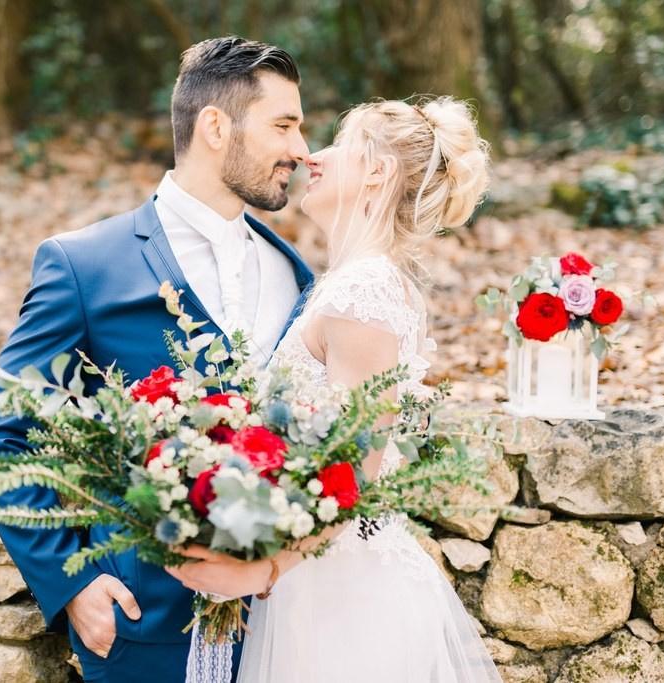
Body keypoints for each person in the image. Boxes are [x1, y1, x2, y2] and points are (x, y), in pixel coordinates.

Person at [0, 36, 314, 683]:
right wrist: (72, 584)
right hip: (141, 633)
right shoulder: (84, 265)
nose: (301, 148)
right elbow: (1, 434)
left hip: (285, 633)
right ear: (215, 126)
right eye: (284, 125)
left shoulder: (296, 274)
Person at [166, 97, 505, 682]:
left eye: (338, 143)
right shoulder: (347, 284)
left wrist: (265, 571)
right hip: (322, 582)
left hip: (348, 602)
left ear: (376, 170)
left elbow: (360, 466)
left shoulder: (366, 289)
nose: (310, 155)